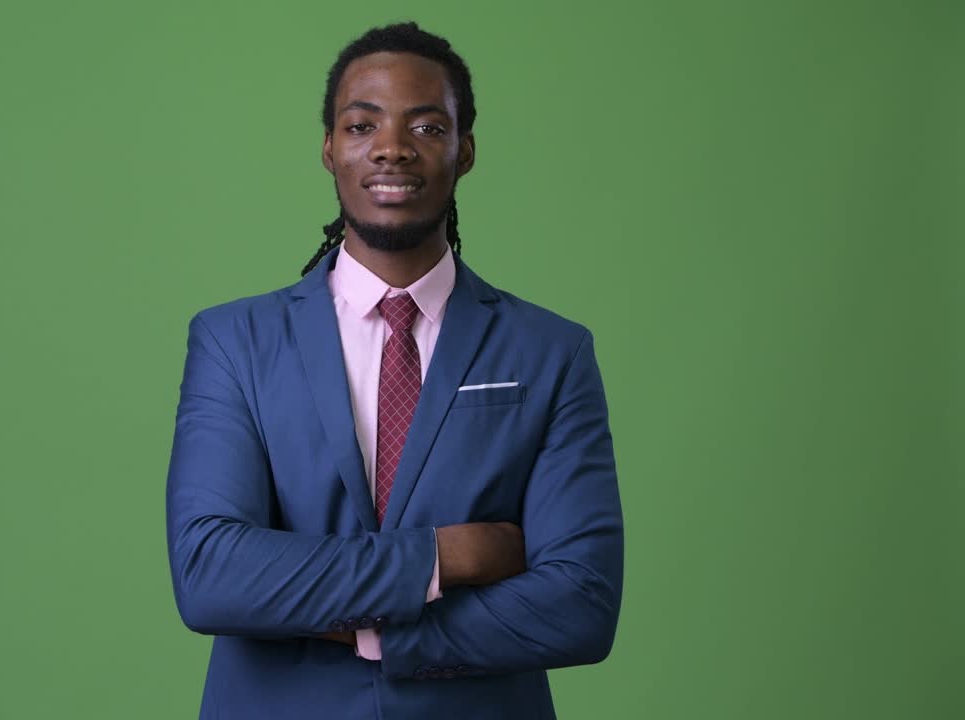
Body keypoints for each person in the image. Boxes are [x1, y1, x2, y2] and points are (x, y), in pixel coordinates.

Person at [165, 21, 624, 720]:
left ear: (465, 151)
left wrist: (382, 634)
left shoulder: (550, 352)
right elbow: (211, 576)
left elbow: (581, 602)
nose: (392, 148)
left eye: (428, 127)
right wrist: (447, 556)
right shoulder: (235, 341)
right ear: (328, 148)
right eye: (361, 124)